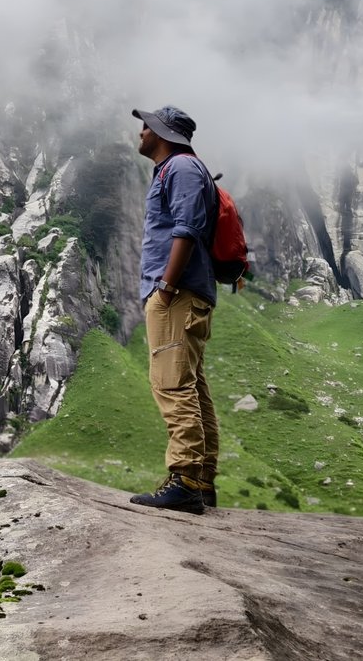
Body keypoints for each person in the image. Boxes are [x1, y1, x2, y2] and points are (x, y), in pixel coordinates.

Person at [129, 106, 219, 515]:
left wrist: (165, 287)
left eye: (147, 126)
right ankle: (201, 480)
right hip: (186, 292)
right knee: (192, 386)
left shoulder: (180, 167)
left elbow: (186, 228)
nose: (141, 132)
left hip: (177, 293)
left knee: (172, 384)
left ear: (163, 133)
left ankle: (185, 480)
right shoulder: (180, 168)